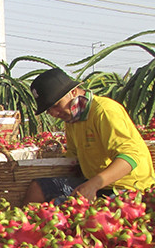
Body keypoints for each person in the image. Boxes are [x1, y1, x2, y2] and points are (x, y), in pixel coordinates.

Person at [23, 67, 155, 204]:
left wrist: (93, 185)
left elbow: (131, 156)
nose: (54, 113)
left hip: (126, 186)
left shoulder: (104, 111)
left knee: (62, 206)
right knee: (38, 188)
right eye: (48, 110)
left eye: (56, 105)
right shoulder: (72, 119)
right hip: (95, 182)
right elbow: (73, 156)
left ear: (73, 92)